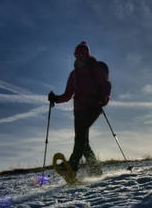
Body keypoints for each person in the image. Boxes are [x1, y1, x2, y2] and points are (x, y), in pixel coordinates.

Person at [48, 41, 111, 175]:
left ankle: (73, 164)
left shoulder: (94, 68)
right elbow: (67, 95)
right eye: (76, 54)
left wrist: (103, 99)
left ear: (87, 54)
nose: (79, 56)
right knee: (83, 142)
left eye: (82, 53)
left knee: (80, 136)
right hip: (78, 110)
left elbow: (106, 85)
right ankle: (96, 170)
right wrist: (55, 99)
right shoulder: (73, 74)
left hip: (93, 107)